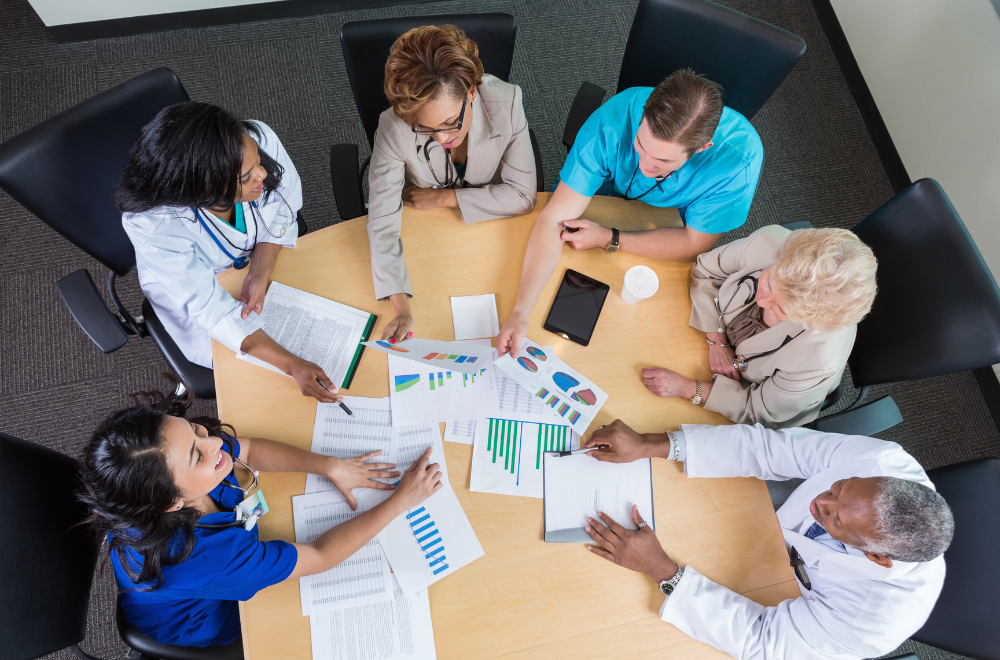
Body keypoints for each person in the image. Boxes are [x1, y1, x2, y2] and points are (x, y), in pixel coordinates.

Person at [78, 377, 442, 647]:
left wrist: (329, 466)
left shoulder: (173, 469)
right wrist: (400, 501)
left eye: (194, 431)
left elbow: (246, 449)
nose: (215, 442)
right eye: (198, 454)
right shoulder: (208, 557)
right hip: (202, 619)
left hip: (191, 573)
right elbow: (319, 555)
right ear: (172, 503)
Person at [581, 420, 954, 660]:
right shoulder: (882, 461)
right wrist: (650, 444)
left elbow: (762, 641)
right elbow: (773, 449)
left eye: (835, 517)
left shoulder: (873, 623)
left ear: (876, 557)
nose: (819, 500)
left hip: (781, 599)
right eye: (838, 487)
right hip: (756, 540)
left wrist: (661, 569)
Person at [497, 68, 764, 357]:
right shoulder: (615, 120)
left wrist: (610, 238)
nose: (646, 164)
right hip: (608, 192)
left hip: (670, 219)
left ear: (702, 148)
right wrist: (520, 313)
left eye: (662, 161)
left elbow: (693, 244)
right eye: (640, 144)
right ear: (642, 117)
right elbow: (553, 218)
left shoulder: (740, 162)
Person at [117, 102, 339, 404]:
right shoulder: (154, 224)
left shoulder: (253, 137)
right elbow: (211, 308)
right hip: (195, 288)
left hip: (257, 259)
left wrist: (260, 271)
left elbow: (285, 204)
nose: (261, 173)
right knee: (255, 380)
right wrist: (291, 365)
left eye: (257, 161)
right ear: (200, 193)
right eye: (245, 178)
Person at [368, 25, 537, 343]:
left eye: (450, 123)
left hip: (485, 228)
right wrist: (400, 306)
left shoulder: (507, 101)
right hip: (427, 231)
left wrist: (447, 199)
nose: (444, 138)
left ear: (471, 92)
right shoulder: (393, 126)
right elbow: (382, 223)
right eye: (427, 129)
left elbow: (523, 195)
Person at [642, 225, 877, 428]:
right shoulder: (770, 242)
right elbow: (705, 271)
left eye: (780, 308)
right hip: (704, 336)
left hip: (744, 391)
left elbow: (759, 413)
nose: (761, 301)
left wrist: (689, 389)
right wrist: (717, 340)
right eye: (768, 281)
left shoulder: (818, 359)